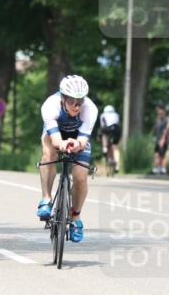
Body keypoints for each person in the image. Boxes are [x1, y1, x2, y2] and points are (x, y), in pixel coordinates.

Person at [36, 75, 97, 243]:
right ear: (62, 98)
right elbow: (55, 140)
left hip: (77, 137)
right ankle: (46, 198)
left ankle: (76, 217)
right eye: (72, 102)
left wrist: (76, 143)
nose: (77, 106)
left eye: (80, 101)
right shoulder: (50, 105)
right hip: (55, 134)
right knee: (49, 154)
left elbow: (83, 141)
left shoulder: (90, 109)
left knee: (80, 177)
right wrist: (62, 143)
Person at [99, 104, 121, 173]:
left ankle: (105, 148)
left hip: (107, 129)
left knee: (104, 135)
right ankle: (117, 165)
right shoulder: (116, 115)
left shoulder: (103, 115)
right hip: (116, 130)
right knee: (115, 148)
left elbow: (102, 125)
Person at [152, 104, 169, 174]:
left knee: (162, 155)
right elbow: (155, 129)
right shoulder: (158, 120)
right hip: (157, 140)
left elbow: (166, 130)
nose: (159, 113)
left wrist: (163, 139)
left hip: (163, 140)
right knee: (156, 154)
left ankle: (163, 169)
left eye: (160, 112)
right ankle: (156, 168)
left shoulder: (165, 120)